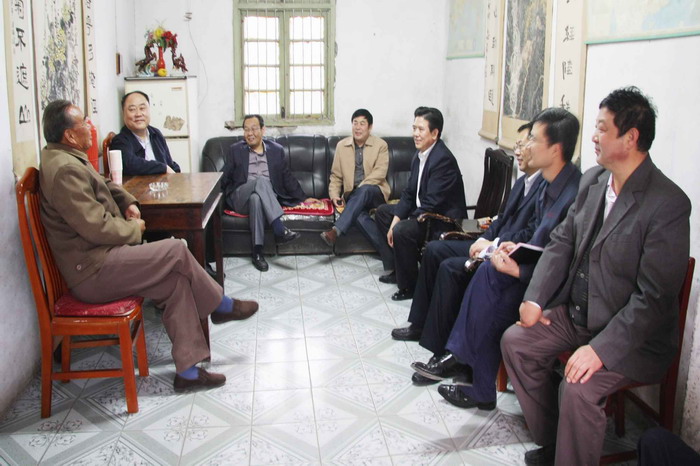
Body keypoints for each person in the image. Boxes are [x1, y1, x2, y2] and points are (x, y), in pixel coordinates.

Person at [501, 87, 691, 466]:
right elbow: (562, 242)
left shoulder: (667, 204)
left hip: (632, 340)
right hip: (579, 317)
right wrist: (535, 298)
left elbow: (653, 300)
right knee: (516, 342)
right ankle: (557, 443)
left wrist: (600, 350)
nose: (593, 137)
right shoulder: (593, 181)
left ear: (630, 137)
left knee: (578, 386)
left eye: (602, 129)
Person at [39, 100, 259, 392]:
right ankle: (221, 305)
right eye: (83, 122)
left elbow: (103, 184)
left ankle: (187, 373)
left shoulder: (67, 158)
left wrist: (127, 201)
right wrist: (134, 229)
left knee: (175, 282)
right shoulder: (64, 170)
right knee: (176, 249)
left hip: (100, 260)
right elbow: (95, 227)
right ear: (69, 134)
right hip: (93, 271)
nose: (89, 126)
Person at [412, 108, 582, 412]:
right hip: (525, 269)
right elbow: (534, 236)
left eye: (533, 140)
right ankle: (467, 371)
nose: (526, 147)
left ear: (555, 149)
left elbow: (562, 259)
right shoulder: (547, 182)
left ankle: (462, 364)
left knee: (487, 288)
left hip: (544, 289)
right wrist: (509, 249)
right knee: (486, 277)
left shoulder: (573, 192)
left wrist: (518, 268)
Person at [391, 123, 543, 365]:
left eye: (523, 145)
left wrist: (492, 243)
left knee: (449, 267)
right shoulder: (523, 181)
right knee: (434, 250)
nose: (517, 151)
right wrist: (483, 239)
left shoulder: (544, 187)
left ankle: (442, 346)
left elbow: (531, 233)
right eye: (516, 145)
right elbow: (501, 218)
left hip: (502, 252)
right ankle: (419, 324)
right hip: (491, 243)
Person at [375, 107, 467, 300]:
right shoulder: (420, 155)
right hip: (422, 212)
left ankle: (409, 286)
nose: (415, 134)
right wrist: (395, 219)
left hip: (440, 220)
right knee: (383, 213)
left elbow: (432, 204)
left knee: (402, 230)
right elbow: (409, 192)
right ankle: (400, 271)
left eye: (421, 129)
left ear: (434, 133)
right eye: (414, 128)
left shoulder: (443, 160)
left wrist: (402, 222)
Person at [221, 114, 315, 272]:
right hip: (240, 196)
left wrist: (303, 198)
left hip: (263, 198)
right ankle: (279, 228)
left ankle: (257, 252)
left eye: (254, 129)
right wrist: (212, 195)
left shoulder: (276, 151)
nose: (250, 133)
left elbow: (286, 177)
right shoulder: (235, 150)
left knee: (256, 199)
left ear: (263, 130)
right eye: (246, 130)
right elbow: (223, 177)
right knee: (260, 181)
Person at [320, 109, 389, 248]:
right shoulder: (342, 146)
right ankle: (389, 252)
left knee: (365, 190)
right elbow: (336, 176)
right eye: (355, 123)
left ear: (370, 127)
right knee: (358, 216)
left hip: (375, 193)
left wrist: (361, 188)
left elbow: (380, 173)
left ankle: (336, 230)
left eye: (362, 123)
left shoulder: (381, 145)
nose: (358, 127)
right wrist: (334, 196)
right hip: (353, 198)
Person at [110, 91, 181, 175]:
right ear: (123, 113)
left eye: (142, 108)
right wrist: (163, 168)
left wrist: (176, 175)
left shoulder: (155, 133)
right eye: (132, 109)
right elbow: (130, 165)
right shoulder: (120, 141)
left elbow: (169, 163)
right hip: (140, 183)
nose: (138, 114)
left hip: (163, 182)